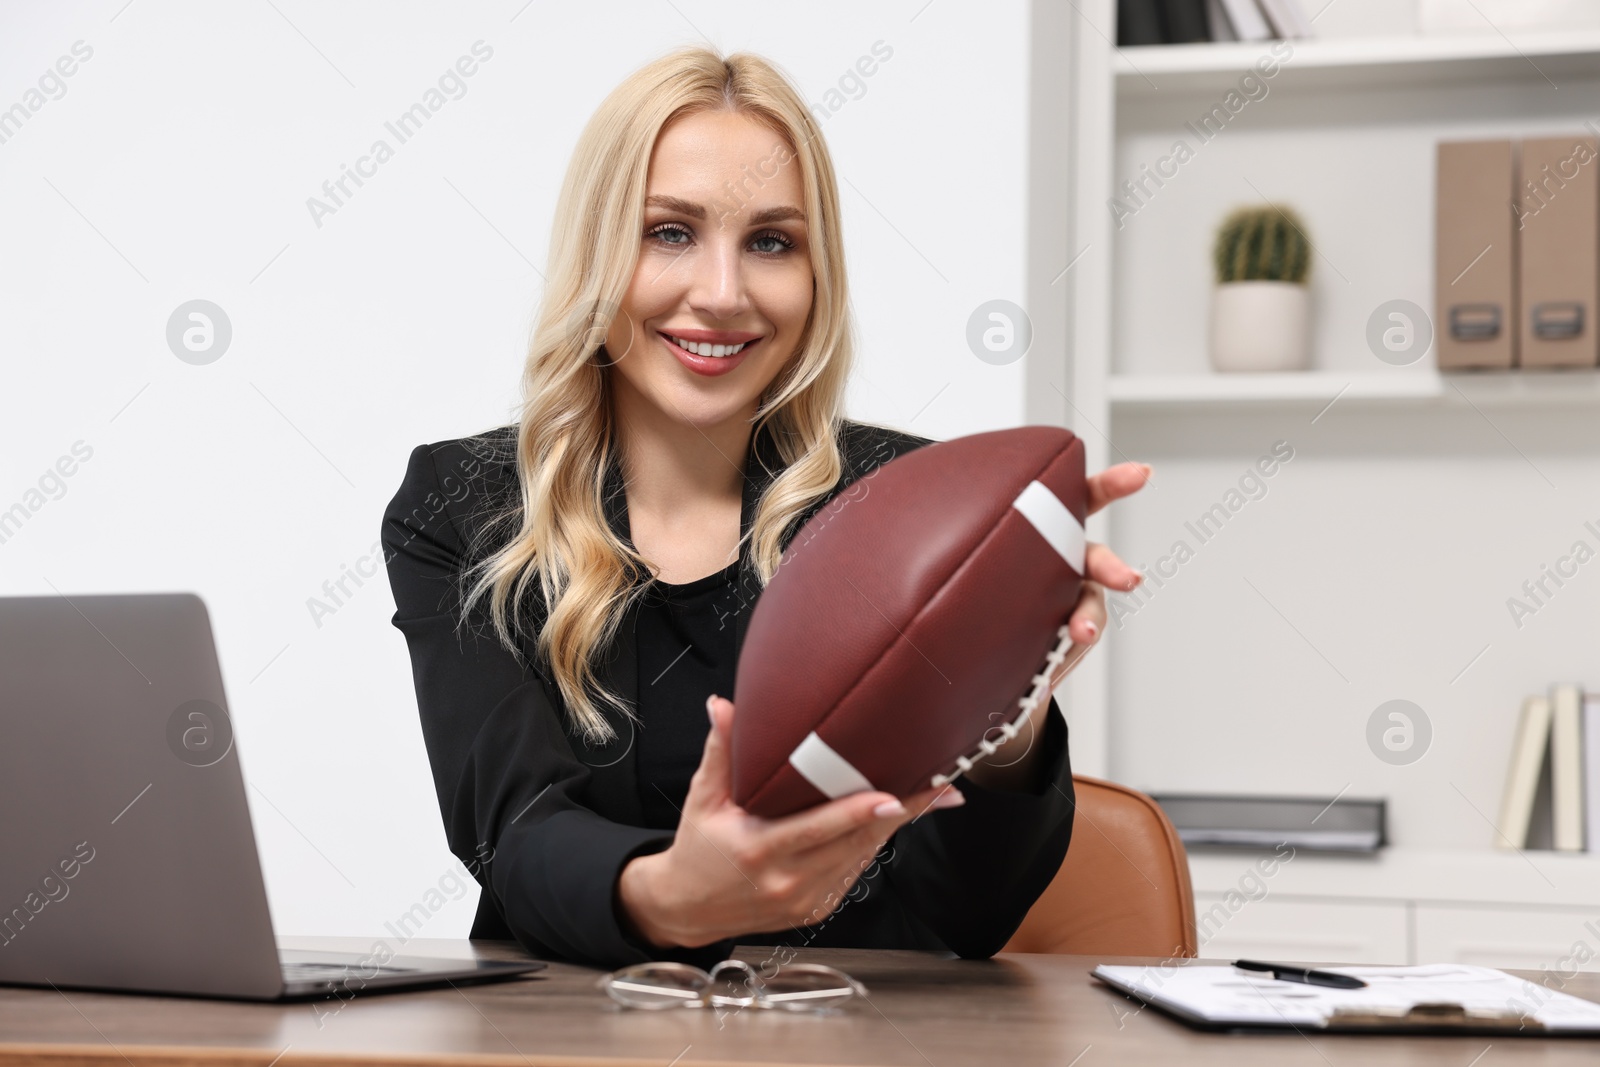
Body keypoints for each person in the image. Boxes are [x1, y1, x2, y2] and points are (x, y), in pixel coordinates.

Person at [380, 45, 1150, 971]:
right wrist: (671, 898)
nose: (722, 293)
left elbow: (963, 918)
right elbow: (511, 831)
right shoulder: (465, 507)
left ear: (816, 275)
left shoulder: (911, 506)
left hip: (855, 1038)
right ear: (596, 251)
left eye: (771, 241)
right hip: (572, 1037)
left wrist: (1005, 712)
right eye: (670, 232)